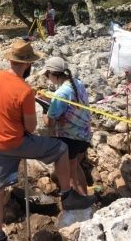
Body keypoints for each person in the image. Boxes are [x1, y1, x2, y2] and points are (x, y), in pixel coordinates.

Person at [0, 40, 96, 241]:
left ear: (11, 60)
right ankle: (67, 196)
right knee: (61, 149)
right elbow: (30, 128)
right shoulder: (25, 91)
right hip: (17, 142)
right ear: (28, 64)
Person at [40, 57, 92, 195]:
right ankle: (85, 197)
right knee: (76, 168)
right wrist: (51, 99)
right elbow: (69, 102)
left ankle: (76, 202)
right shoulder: (77, 83)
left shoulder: (60, 93)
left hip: (70, 138)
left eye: (47, 75)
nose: (47, 78)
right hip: (84, 135)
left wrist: (44, 112)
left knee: (69, 174)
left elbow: (49, 123)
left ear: (53, 74)